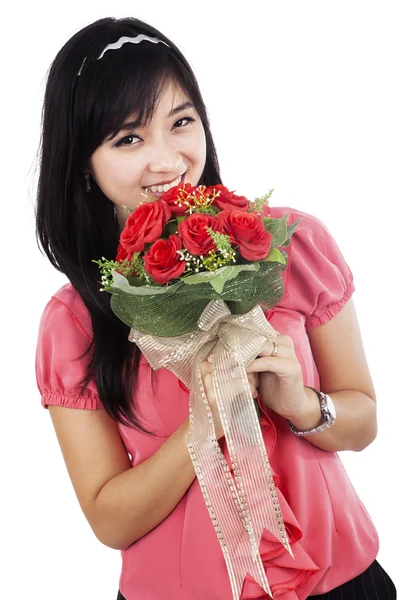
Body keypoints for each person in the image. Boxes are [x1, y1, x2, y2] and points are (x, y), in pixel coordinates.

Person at [34, 16, 396, 600]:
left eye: (181, 122)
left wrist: (303, 405)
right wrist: (201, 426)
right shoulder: (73, 321)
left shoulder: (292, 244)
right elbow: (109, 519)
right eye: (128, 138)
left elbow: (364, 422)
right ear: (81, 162)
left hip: (343, 582)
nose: (167, 160)